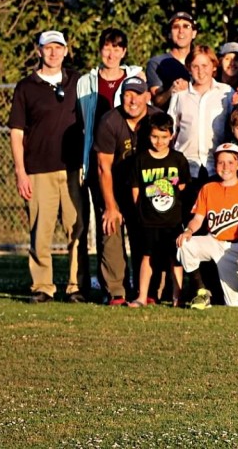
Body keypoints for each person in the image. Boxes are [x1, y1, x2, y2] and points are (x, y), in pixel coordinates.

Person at [8, 30, 85, 303]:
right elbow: (16, 132)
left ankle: (76, 286)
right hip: (39, 169)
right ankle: (43, 286)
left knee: (77, 228)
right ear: (38, 51)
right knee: (41, 230)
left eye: (58, 47)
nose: (53, 53)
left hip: (74, 168)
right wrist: (20, 171)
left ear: (66, 50)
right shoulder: (26, 87)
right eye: (47, 48)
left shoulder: (78, 81)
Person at [75, 27, 143, 294]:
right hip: (99, 163)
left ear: (124, 51)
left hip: (131, 165)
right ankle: (115, 287)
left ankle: (144, 286)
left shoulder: (135, 77)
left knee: (139, 225)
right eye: (107, 47)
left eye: (117, 48)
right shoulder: (86, 83)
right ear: (100, 49)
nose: (112, 53)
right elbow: (82, 122)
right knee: (109, 224)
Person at [94, 76, 160, 305]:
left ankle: (149, 289)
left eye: (138, 94)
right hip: (115, 186)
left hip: (147, 189)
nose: (132, 100)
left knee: (149, 236)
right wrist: (111, 206)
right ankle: (116, 291)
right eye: (127, 95)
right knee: (110, 228)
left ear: (147, 96)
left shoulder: (156, 118)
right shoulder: (110, 121)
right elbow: (104, 168)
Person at [175, 143, 238, 308]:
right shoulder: (208, 188)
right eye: (220, 162)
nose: (225, 167)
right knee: (185, 244)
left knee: (232, 303)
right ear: (215, 164)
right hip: (214, 241)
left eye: (231, 162)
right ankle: (201, 292)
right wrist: (189, 230)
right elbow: (198, 218)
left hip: (237, 246)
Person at [129, 112, 190, 308]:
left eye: (164, 137)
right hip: (149, 219)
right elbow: (136, 190)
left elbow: (182, 187)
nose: (159, 141)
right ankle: (142, 296)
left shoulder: (178, 159)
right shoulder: (141, 160)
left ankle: (177, 296)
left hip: (172, 220)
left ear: (172, 135)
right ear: (148, 135)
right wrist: (143, 211)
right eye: (155, 136)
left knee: (175, 258)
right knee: (147, 256)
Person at [167, 45, 233, 187]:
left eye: (205, 65)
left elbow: (233, 126)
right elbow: (170, 130)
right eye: (195, 66)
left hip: (217, 167)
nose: (200, 71)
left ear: (214, 66)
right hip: (186, 167)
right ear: (189, 68)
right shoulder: (180, 95)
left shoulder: (226, 92)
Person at [146, 12, 198, 97]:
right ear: (170, 34)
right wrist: (172, 90)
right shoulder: (157, 63)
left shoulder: (202, 62)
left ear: (194, 33)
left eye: (186, 26)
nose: (181, 31)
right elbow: (157, 100)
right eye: (176, 27)